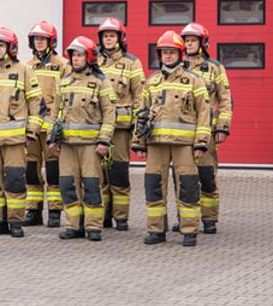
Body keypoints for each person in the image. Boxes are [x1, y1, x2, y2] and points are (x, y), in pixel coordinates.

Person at [136, 30, 212, 247]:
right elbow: (141, 113)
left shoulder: (194, 81)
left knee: (188, 187)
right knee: (153, 186)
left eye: (171, 52)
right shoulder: (152, 81)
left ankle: (189, 231)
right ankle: (156, 230)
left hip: (185, 145)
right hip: (156, 144)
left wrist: (201, 143)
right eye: (164, 53)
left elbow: (204, 114)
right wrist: (138, 142)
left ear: (180, 54)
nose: (168, 56)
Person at [48, 36, 116, 241]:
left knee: (92, 185)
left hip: (90, 146)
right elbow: (54, 113)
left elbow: (110, 113)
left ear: (90, 57)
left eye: (80, 55)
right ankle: (73, 226)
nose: (76, 59)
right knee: (68, 185)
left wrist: (104, 140)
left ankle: (93, 227)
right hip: (67, 145)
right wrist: (53, 137)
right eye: (73, 55)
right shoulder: (64, 82)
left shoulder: (101, 82)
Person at [0, 27, 36, 238]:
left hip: (15, 139)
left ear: (11, 47)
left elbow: (36, 102)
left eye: (1, 45)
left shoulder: (24, 70)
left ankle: (15, 222)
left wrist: (32, 131)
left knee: (14, 181)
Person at [181, 23, 232, 234]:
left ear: (202, 43)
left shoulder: (215, 67)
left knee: (206, 176)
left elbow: (226, 99)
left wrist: (222, 127)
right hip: (182, 132)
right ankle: (183, 218)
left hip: (207, 132)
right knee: (183, 178)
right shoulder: (178, 66)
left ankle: (209, 219)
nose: (189, 44)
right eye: (186, 40)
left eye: (193, 40)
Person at [96, 18, 144, 230]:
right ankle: (104, 215)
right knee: (100, 174)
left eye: (112, 35)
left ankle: (121, 217)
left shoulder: (131, 63)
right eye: (105, 36)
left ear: (120, 38)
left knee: (119, 172)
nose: (108, 39)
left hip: (121, 130)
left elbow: (140, 97)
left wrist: (138, 131)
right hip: (97, 129)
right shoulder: (93, 61)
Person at [22, 21, 66, 227]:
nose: (39, 43)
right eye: (36, 39)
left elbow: (66, 96)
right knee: (31, 168)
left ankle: (55, 210)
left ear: (51, 41)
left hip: (51, 126)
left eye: (43, 39)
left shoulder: (63, 65)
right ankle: (33, 209)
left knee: (53, 167)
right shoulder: (26, 67)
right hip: (32, 126)